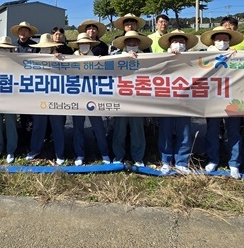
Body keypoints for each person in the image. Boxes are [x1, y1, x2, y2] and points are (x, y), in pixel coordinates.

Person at [199, 25, 244, 179]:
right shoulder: (203, 55)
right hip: (212, 99)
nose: (221, 42)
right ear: (213, 41)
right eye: (218, 39)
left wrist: (239, 56)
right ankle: (213, 159)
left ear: (230, 41)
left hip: (232, 99)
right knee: (212, 131)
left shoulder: (237, 55)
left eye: (225, 39)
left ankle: (234, 163)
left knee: (233, 132)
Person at [157, 30, 197, 174]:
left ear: (186, 45)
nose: (178, 44)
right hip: (166, 100)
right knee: (165, 131)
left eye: (182, 42)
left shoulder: (194, 58)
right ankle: (166, 160)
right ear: (169, 44)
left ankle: (182, 161)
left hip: (185, 101)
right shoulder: (161, 57)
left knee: (184, 131)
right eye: (175, 41)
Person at [110, 31, 152, 166]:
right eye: (129, 43)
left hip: (138, 99)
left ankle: (138, 157)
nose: (132, 45)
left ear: (139, 44)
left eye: (135, 43)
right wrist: (125, 57)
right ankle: (118, 155)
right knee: (119, 129)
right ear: (124, 44)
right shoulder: (115, 56)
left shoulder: (147, 57)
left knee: (137, 129)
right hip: (120, 98)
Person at [68, 33, 111, 165]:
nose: (84, 46)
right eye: (81, 44)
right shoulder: (71, 58)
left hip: (94, 97)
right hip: (77, 97)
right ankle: (80, 154)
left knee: (98, 127)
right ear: (78, 46)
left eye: (86, 44)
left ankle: (104, 153)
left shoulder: (97, 58)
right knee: (78, 128)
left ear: (90, 45)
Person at [26, 33, 68, 164]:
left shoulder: (60, 58)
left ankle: (60, 153)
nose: (45, 49)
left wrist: (61, 59)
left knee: (58, 126)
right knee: (38, 125)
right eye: (43, 47)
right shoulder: (33, 60)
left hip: (57, 97)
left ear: (52, 48)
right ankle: (35, 149)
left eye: (48, 47)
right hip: (39, 98)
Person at [0, 35, 19, 163]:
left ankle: (10, 151)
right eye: (2, 48)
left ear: (12, 50)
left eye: (7, 49)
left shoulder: (17, 62)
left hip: (11, 99)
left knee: (11, 124)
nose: (4, 51)